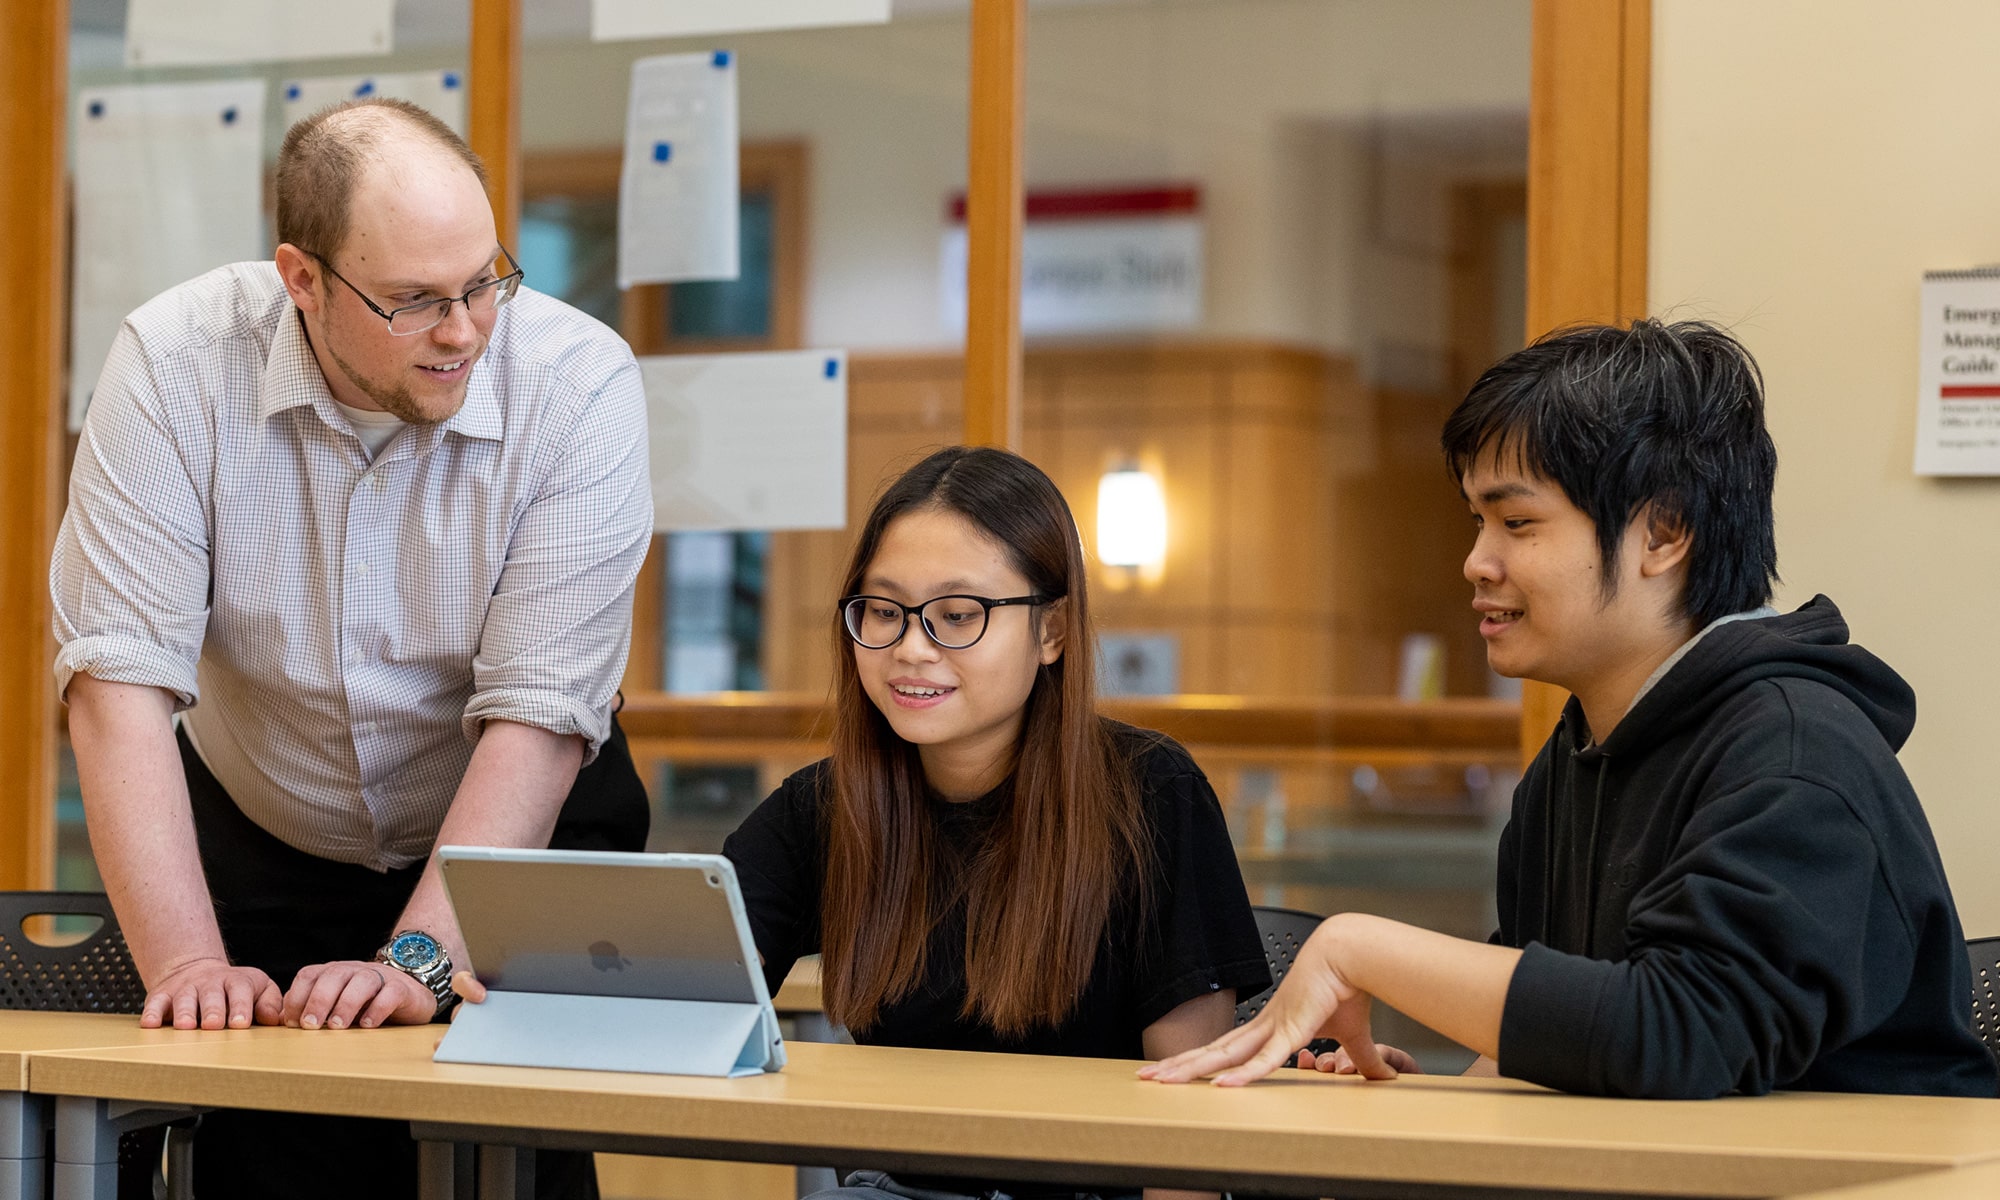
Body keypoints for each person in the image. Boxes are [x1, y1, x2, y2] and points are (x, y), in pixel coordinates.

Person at [1142, 319, 1999, 1099]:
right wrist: (1422, 1100)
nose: (1476, 562)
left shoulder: (1800, 751)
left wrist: (1361, 948)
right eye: (1478, 521)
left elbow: (1682, 1035)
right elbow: (1551, 1038)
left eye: (1516, 523)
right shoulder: (1582, 743)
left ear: (1663, 535)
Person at [52, 97, 653, 1199]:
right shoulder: (175, 367)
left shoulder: (578, 386)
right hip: (270, 829)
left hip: (522, 830)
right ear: (303, 280)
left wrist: (421, 957)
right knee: (276, 1164)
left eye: (484, 280)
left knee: (511, 1167)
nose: (465, 330)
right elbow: (116, 684)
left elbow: (537, 720)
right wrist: (189, 966)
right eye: (416, 301)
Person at [457, 446, 1273, 1200]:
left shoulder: (1149, 793)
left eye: (957, 615)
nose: (911, 649)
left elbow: (1190, 1108)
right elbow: (693, 986)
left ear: (1052, 630)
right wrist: (529, 985)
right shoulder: (831, 805)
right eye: (882, 611)